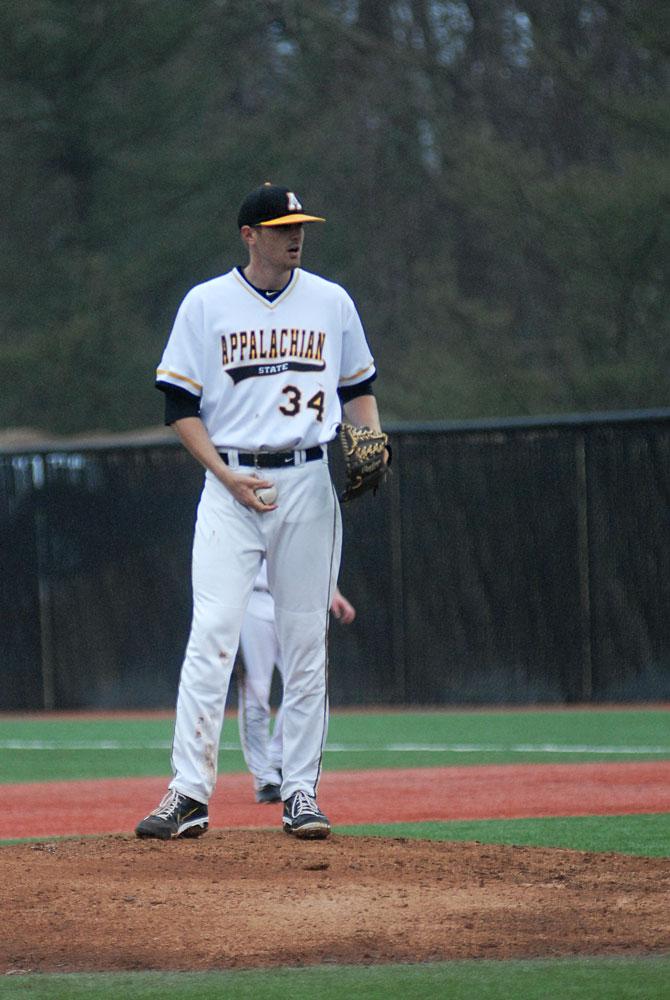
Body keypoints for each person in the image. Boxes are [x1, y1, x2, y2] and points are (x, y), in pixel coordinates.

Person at [135, 182, 386, 841]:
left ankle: (300, 791)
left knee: (305, 643)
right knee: (213, 633)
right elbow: (178, 409)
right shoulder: (207, 304)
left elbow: (358, 389)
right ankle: (188, 794)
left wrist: (370, 441)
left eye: (299, 225)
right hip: (231, 484)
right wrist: (223, 474)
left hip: (306, 481)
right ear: (249, 235)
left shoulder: (331, 301)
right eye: (280, 227)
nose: (294, 235)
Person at [238, 560, 356, 804]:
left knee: (304, 686)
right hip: (253, 600)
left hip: (294, 602)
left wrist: (333, 589)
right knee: (257, 690)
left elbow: (311, 549)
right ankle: (264, 776)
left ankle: (277, 758)